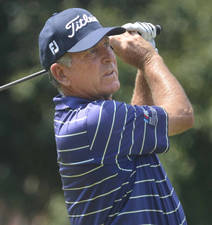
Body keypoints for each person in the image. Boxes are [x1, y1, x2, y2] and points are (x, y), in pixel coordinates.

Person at [38, 8, 194, 225]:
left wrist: (142, 67)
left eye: (106, 44)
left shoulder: (90, 120)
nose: (108, 57)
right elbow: (182, 114)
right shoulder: (97, 119)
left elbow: (135, 135)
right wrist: (149, 58)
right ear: (61, 73)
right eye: (91, 51)